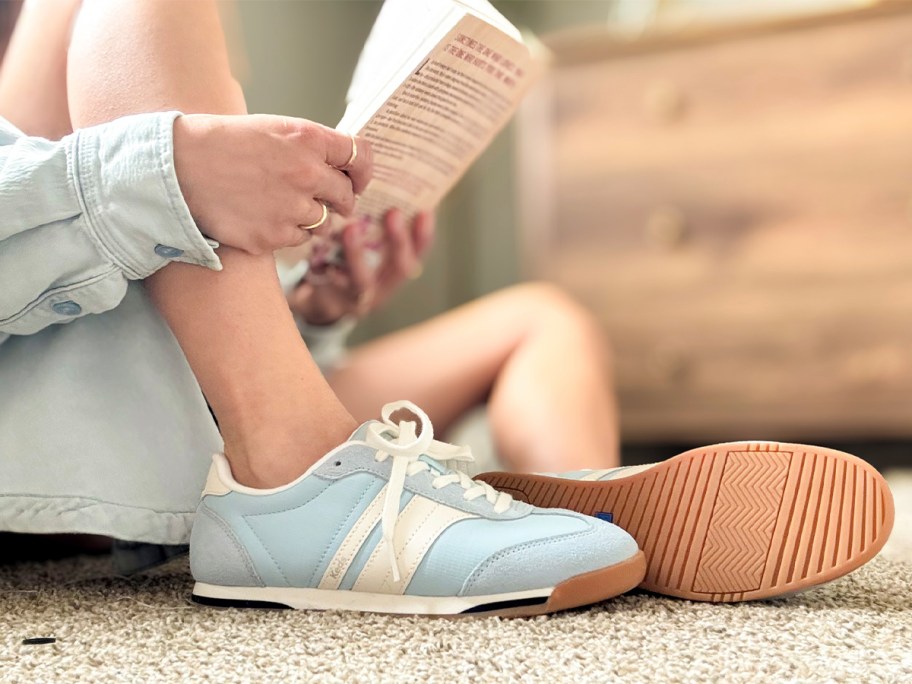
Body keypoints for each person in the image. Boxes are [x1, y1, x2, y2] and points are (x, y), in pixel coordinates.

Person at [0, 0, 644, 616]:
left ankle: (587, 524)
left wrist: (312, 309)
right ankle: (298, 471)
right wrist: (156, 172)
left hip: (184, 406)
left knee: (543, 319)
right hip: (62, 413)